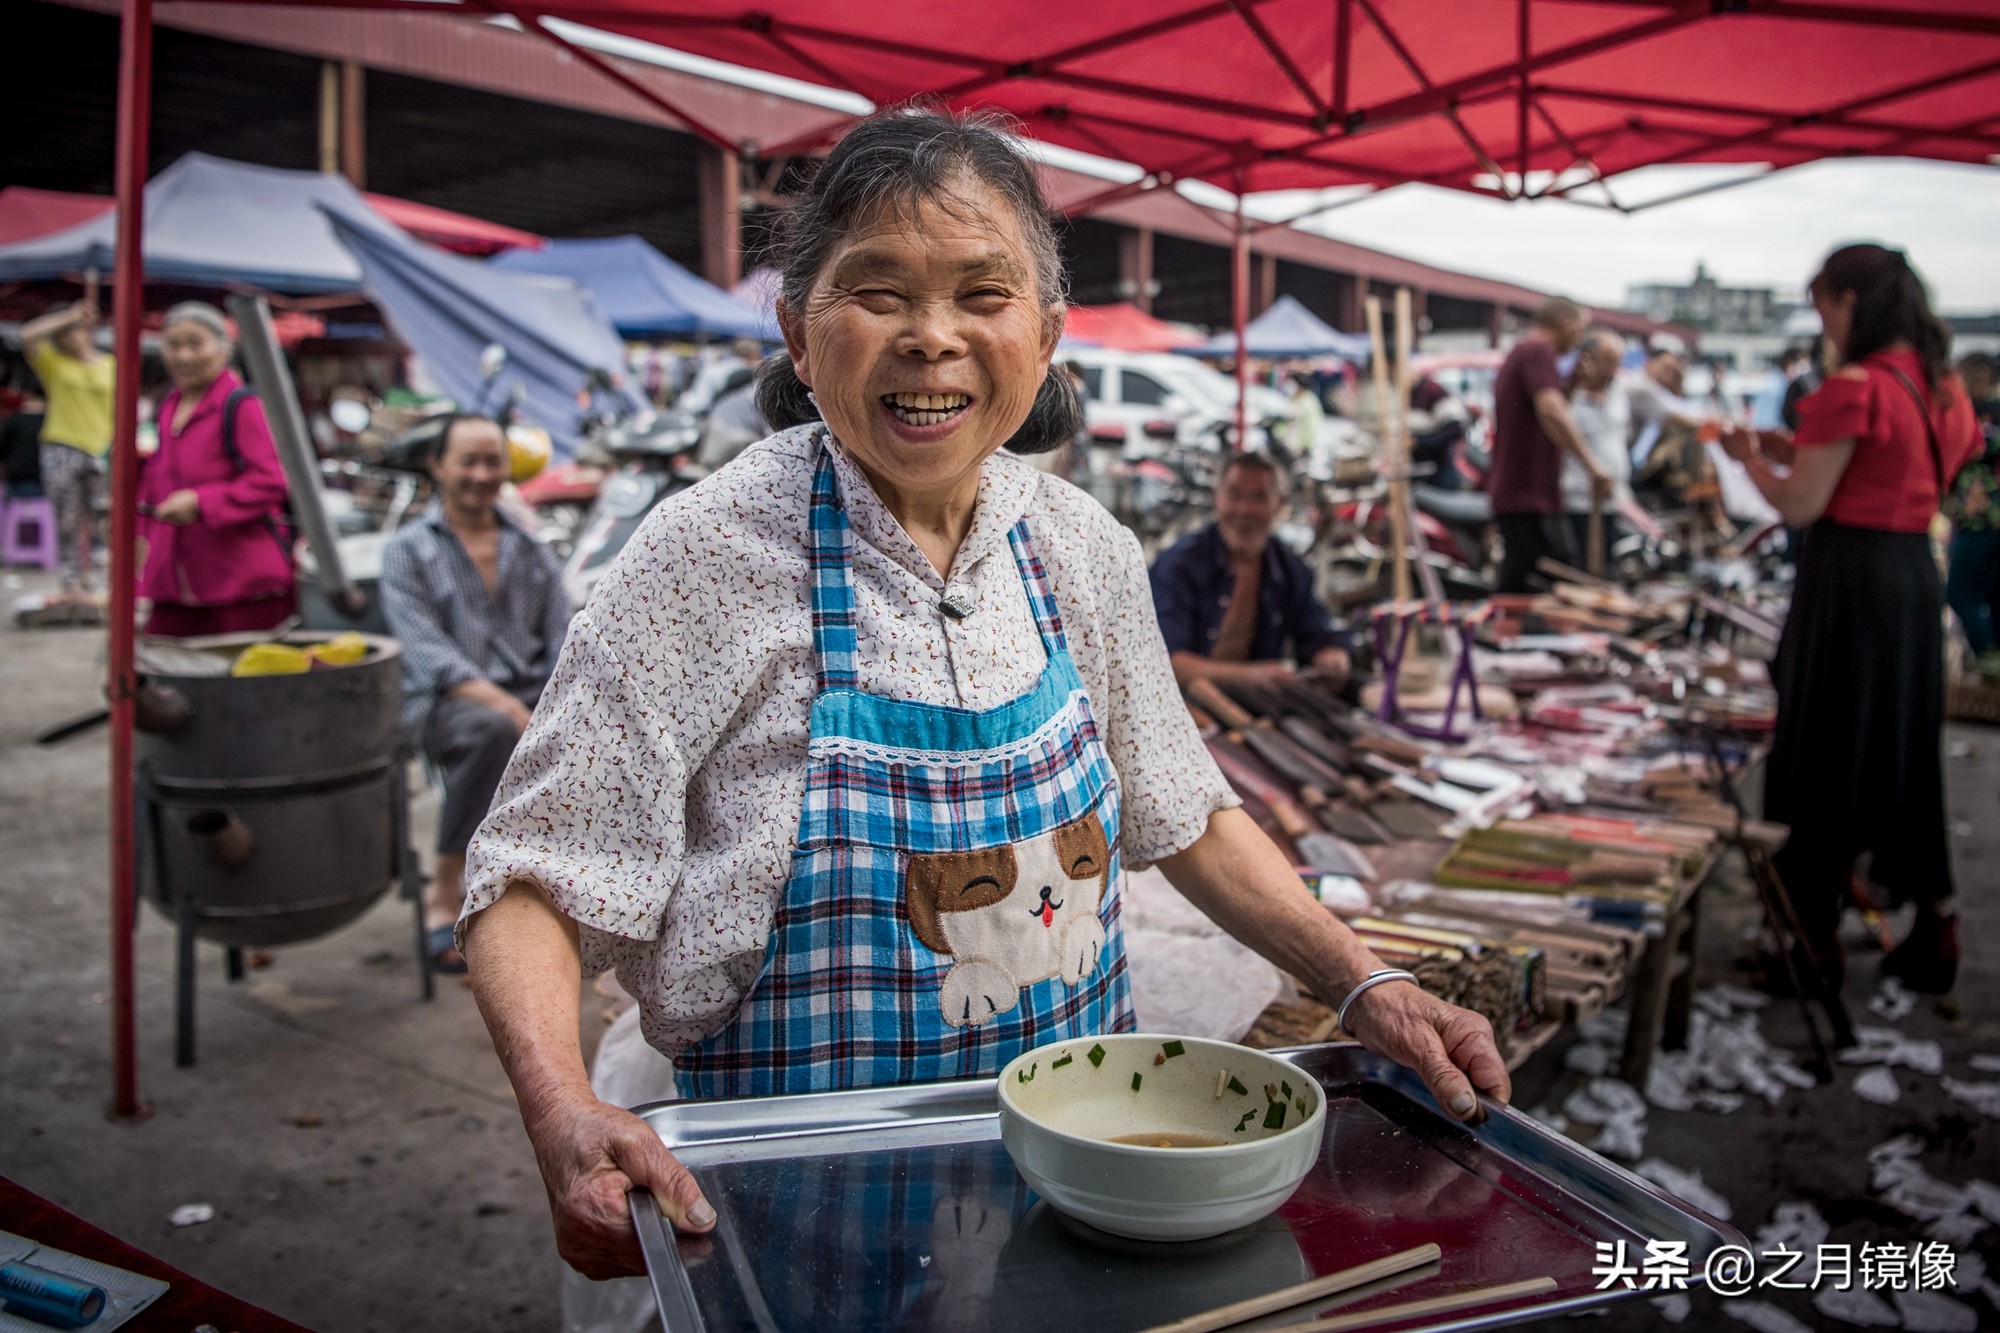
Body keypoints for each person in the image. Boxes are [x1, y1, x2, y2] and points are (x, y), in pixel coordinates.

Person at [456, 108, 1509, 1277]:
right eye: (879, 293)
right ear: (800, 337)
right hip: (792, 1207)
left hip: (1079, 1180)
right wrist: (560, 1113)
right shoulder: (702, 557)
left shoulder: (1081, 548)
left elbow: (1187, 813)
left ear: (1046, 333)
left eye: (981, 294)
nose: (931, 339)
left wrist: (1363, 980)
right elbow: (539, 882)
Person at [1718, 244, 1979, 995]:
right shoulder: (1942, 386)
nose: (1824, 322)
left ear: (1853, 301)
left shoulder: (1855, 385)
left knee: (1821, 755)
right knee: (1902, 753)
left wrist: (1748, 458)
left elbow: (1801, 504)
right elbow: (1891, 472)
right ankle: (1936, 921)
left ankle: (1812, 938)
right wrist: (1790, 453)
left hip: (1847, 588)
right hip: (1908, 582)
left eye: (1826, 304)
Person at [380, 415, 571, 973]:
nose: (482, 474)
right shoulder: (407, 551)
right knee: (489, 732)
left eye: (493, 462)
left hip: (532, 696)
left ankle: (555, 890)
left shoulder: (531, 548)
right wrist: (509, 708)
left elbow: (565, 637)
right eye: (468, 460)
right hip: (448, 704)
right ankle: (445, 890)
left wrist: (552, 708)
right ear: (437, 466)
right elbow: (429, 656)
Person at [134, 303, 295, 637]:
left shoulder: (242, 405)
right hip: (173, 576)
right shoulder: (169, 406)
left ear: (224, 349)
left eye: (195, 344)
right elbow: (154, 478)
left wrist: (201, 502)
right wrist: (140, 534)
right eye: (173, 345)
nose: (184, 356)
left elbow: (271, 481)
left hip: (239, 577)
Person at [1150, 451, 1351, 691]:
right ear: (1217, 498)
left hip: (1253, 707)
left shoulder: (1291, 571)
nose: (1245, 510)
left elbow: (1317, 634)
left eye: (1259, 498)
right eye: (1234, 495)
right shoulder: (1179, 565)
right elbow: (1166, 663)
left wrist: (1331, 656)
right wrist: (1252, 676)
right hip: (1179, 708)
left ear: (1280, 504)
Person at [1488, 297, 1610, 592]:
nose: (1580, 338)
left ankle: (1505, 632)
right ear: (1564, 323)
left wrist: (1572, 386)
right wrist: (1593, 465)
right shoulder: (1537, 351)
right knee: (1554, 576)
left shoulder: (1526, 353)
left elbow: (1543, 412)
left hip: (1525, 493)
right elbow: (1551, 410)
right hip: (1527, 495)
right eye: (1580, 329)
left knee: (1525, 576)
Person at [18, 300, 114, 599]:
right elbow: (27, 336)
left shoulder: (110, 364)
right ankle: (70, 583)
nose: (67, 339)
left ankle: (97, 582)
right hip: (62, 447)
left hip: (100, 448)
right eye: (61, 336)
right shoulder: (55, 363)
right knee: (68, 521)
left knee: (101, 519)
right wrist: (67, 317)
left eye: (72, 332)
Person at [1944, 353, 2000, 676]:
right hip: (1985, 522)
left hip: (1981, 521)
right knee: (1992, 594)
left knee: (1959, 590)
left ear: (1980, 375)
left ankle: (1988, 655)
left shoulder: (1980, 414)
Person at [1561, 330, 1632, 567]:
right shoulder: (1570, 399)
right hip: (1580, 499)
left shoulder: (1618, 395)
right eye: (1608, 360)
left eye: (1616, 361)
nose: (1613, 368)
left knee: (1607, 565)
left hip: (1612, 497)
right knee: (1583, 563)